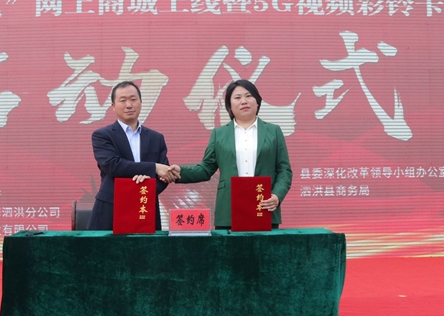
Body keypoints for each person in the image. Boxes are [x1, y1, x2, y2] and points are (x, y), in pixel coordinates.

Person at [167, 79, 292, 229]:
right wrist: (180, 172)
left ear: (257, 102)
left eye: (249, 96)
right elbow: (206, 169)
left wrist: (276, 196)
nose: (244, 101)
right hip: (228, 210)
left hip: (264, 206)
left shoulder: (273, 131)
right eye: (237, 97)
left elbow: (284, 170)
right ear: (230, 105)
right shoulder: (219, 134)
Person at [88, 81, 178, 230]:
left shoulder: (156, 138)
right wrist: (153, 168)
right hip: (111, 209)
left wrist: (146, 185)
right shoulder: (102, 135)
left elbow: (164, 175)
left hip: (145, 207)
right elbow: (113, 165)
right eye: (123, 100)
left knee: (147, 246)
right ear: (113, 106)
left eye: (133, 99)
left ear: (141, 102)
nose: (129, 105)